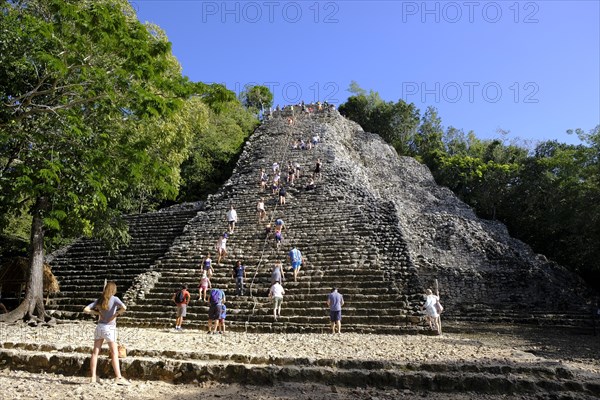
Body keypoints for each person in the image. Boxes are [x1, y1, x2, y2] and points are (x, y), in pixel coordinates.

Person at [83, 281, 129, 385]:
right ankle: (118, 377)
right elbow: (124, 308)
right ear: (113, 290)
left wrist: (97, 312)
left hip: (99, 327)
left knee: (95, 352)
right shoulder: (115, 299)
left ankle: (93, 377)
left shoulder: (100, 299)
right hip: (110, 328)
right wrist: (116, 314)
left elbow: (85, 309)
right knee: (114, 353)